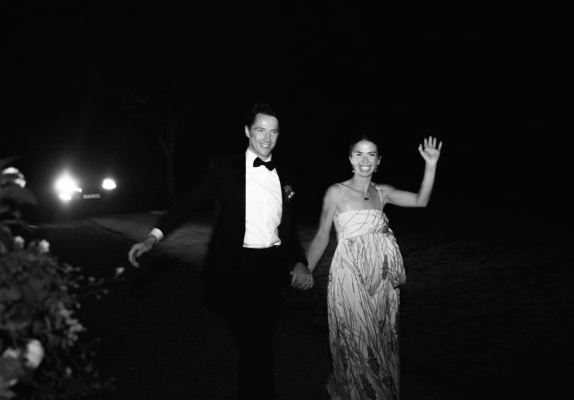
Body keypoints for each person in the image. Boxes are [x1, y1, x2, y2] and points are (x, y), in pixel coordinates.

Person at [127, 102, 313, 400]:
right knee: (256, 345)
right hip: (238, 269)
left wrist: (300, 262)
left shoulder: (285, 177)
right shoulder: (225, 168)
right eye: (260, 130)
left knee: (261, 341)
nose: (267, 138)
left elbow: (287, 230)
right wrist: (153, 237)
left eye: (273, 131)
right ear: (247, 131)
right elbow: (190, 202)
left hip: (271, 271)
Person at [303, 135, 443, 399]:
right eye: (358, 154)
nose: (364, 160)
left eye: (370, 155)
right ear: (350, 159)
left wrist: (431, 165)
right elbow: (322, 235)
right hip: (349, 275)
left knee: (382, 338)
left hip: (383, 279)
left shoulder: (383, 192)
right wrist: (306, 270)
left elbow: (420, 200)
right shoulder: (336, 192)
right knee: (355, 339)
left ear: (378, 161)